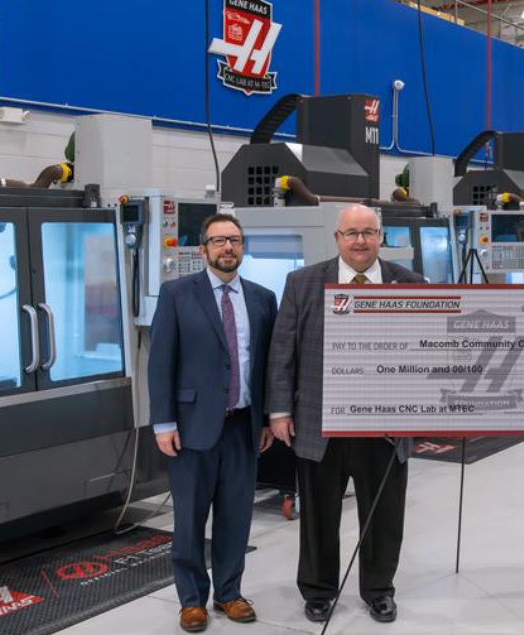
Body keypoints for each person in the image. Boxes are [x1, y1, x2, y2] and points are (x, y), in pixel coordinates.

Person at [266, 204, 428, 624]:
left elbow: (429, 348)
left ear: (381, 236)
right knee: (319, 513)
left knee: (384, 512)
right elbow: (282, 350)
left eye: (368, 233)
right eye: (352, 233)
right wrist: (279, 410)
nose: (360, 241)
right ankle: (319, 590)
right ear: (337, 238)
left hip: (386, 425)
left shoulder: (409, 284)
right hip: (321, 423)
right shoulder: (303, 283)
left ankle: (378, 590)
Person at [146, 213, 279, 633]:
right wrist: (163, 422)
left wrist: (264, 417)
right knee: (189, 519)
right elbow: (160, 362)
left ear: (243, 247)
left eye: (235, 240)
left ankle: (228, 592)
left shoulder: (262, 298)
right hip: (191, 427)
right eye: (219, 240)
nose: (228, 248)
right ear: (202, 249)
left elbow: (266, 366)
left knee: (236, 517)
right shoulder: (176, 294)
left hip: (243, 426)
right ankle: (191, 600)